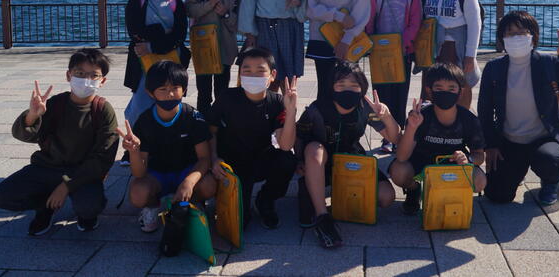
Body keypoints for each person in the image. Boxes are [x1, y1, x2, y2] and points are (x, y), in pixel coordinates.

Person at [0, 48, 119, 235]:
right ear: (68, 75)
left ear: (102, 81)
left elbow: (103, 158)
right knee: (2, 196)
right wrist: (32, 115)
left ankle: (86, 215)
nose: (86, 80)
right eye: (80, 73)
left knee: (89, 206)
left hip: (82, 172)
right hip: (47, 167)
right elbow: (25, 135)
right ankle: (44, 206)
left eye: (94, 75)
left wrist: (66, 185)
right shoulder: (55, 104)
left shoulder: (103, 110)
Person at [478, 10, 559, 206]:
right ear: (502, 38)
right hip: (510, 140)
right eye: (510, 33)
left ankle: (552, 181)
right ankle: (518, 170)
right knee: (497, 194)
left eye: (522, 32)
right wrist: (491, 145)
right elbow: (485, 110)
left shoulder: (549, 63)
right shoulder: (494, 68)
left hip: (545, 138)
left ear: (533, 36)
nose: (516, 37)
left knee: (549, 160)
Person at [296, 61, 400, 248]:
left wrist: (386, 116)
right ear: (331, 87)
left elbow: (395, 138)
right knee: (314, 150)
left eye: (354, 85)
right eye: (341, 84)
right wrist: (299, 161)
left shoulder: (365, 107)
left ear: (362, 88)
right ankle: (322, 216)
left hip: (352, 159)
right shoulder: (316, 109)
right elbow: (299, 137)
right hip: (320, 163)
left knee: (386, 197)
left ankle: (338, 197)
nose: (347, 90)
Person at [119, 61, 216, 233]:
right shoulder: (144, 121)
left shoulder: (193, 117)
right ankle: (152, 206)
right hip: (157, 175)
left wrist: (189, 182)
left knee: (209, 185)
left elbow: (204, 159)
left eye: (175, 88)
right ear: (150, 92)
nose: (170, 94)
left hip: (187, 170)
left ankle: (193, 201)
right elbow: (139, 173)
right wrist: (133, 152)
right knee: (138, 194)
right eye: (162, 89)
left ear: (184, 90)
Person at [207, 47, 298, 229]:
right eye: (247, 70)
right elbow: (211, 131)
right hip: (231, 162)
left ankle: (265, 200)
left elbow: (286, 145)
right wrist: (214, 158)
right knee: (241, 223)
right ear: (240, 74)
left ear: (272, 75)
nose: (253, 76)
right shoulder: (227, 98)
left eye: (260, 71)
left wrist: (290, 112)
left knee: (287, 160)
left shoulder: (276, 102)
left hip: (260, 158)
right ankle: (234, 201)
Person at [390, 62, 487, 215]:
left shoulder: (469, 119)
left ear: (460, 92)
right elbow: (401, 157)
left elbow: (479, 155)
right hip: (421, 161)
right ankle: (414, 189)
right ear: (429, 90)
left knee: (480, 181)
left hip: (453, 163)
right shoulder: (420, 115)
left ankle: (451, 193)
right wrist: (412, 127)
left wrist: (468, 159)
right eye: (439, 88)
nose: (445, 93)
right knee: (398, 171)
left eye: (451, 88)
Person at [123, 0, 191, 140]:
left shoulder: (177, 3)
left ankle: (168, 141)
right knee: (140, 101)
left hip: (171, 60)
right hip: (143, 61)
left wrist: (152, 44)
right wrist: (163, 35)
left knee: (170, 100)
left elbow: (179, 35)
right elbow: (134, 30)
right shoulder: (136, 1)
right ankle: (135, 143)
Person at [364, 0, 422, 152]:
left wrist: (402, 44)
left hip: (402, 52)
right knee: (381, 94)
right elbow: (369, 19)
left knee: (400, 93)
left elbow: (415, 23)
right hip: (379, 52)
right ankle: (386, 137)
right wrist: (370, 41)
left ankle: (399, 135)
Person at [419, 0, 482, 108]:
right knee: (431, 91)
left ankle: (462, 120)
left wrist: (470, 56)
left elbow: (475, 25)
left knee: (459, 90)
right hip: (433, 51)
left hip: (456, 50)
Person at [185, 0, 243, 115]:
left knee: (222, 92)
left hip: (226, 48)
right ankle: (202, 124)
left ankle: (220, 124)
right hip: (203, 46)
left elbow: (240, 25)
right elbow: (188, 9)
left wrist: (226, 13)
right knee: (203, 93)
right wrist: (208, 5)